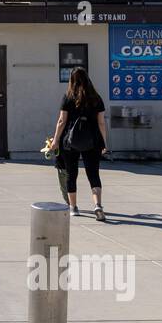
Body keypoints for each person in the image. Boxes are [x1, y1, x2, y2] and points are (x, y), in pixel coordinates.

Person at [50, 67, 110, 221]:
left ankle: (73, 207)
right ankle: (98, 205)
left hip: (70, 142)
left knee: (72, 173)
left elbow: (62, 121)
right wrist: (104, 143)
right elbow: (101, 122)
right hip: (93, 141)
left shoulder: (68, 97)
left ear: (72, 80)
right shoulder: (96, 98)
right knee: (93, 173)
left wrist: (55, 141)